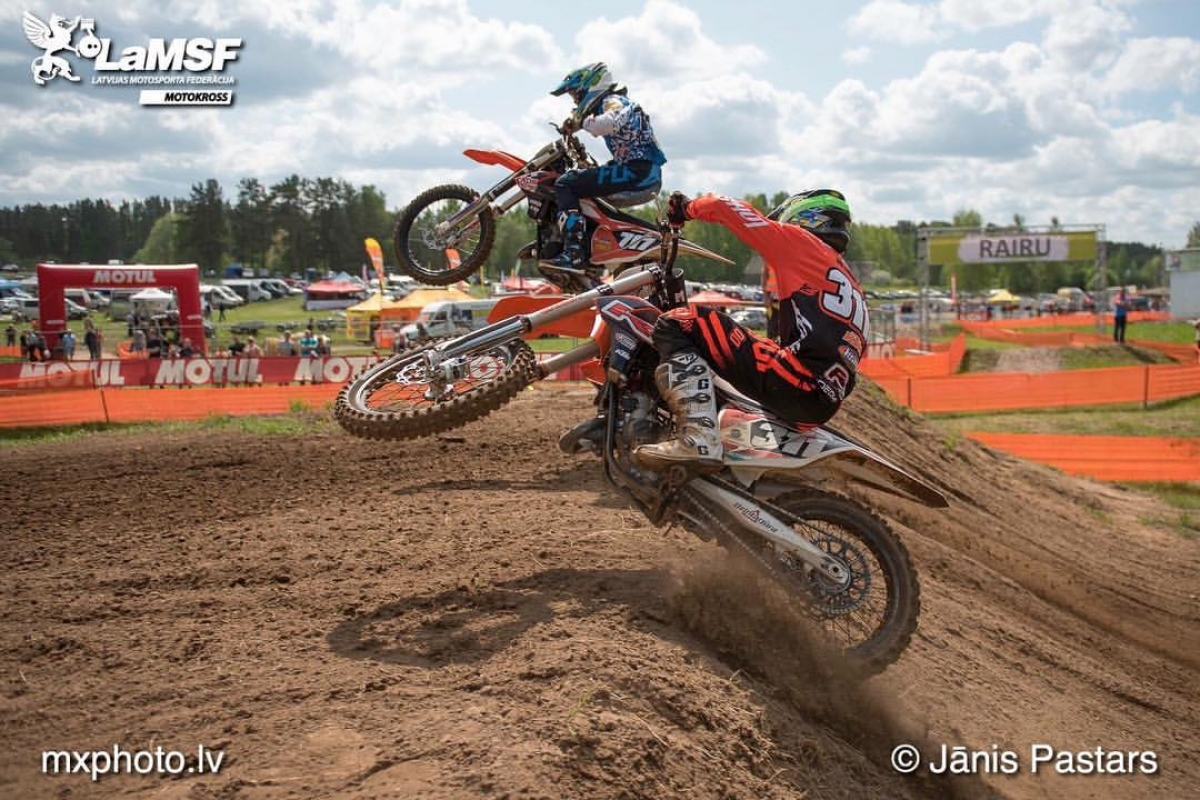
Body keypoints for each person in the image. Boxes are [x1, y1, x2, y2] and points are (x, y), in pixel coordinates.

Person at [634, 190, 866, 471]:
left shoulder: (804, 245)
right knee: (731, 338)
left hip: (796, 382)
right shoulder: (852, 285)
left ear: (805, 218)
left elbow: (723, 206)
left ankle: (699, 438)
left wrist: (687, 208)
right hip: (821, 401)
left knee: (680, 321)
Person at [548, 62, 667, 270]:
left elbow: (608, 123)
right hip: (639, 171)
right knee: (586, 184)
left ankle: (574, 254)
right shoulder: (610, 102)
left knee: (566, 184)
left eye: (576, 94)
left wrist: (580, 123)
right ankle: (595, 250)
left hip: (638, 172)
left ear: (591, 86)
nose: (575, 101)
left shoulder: (613, 101)